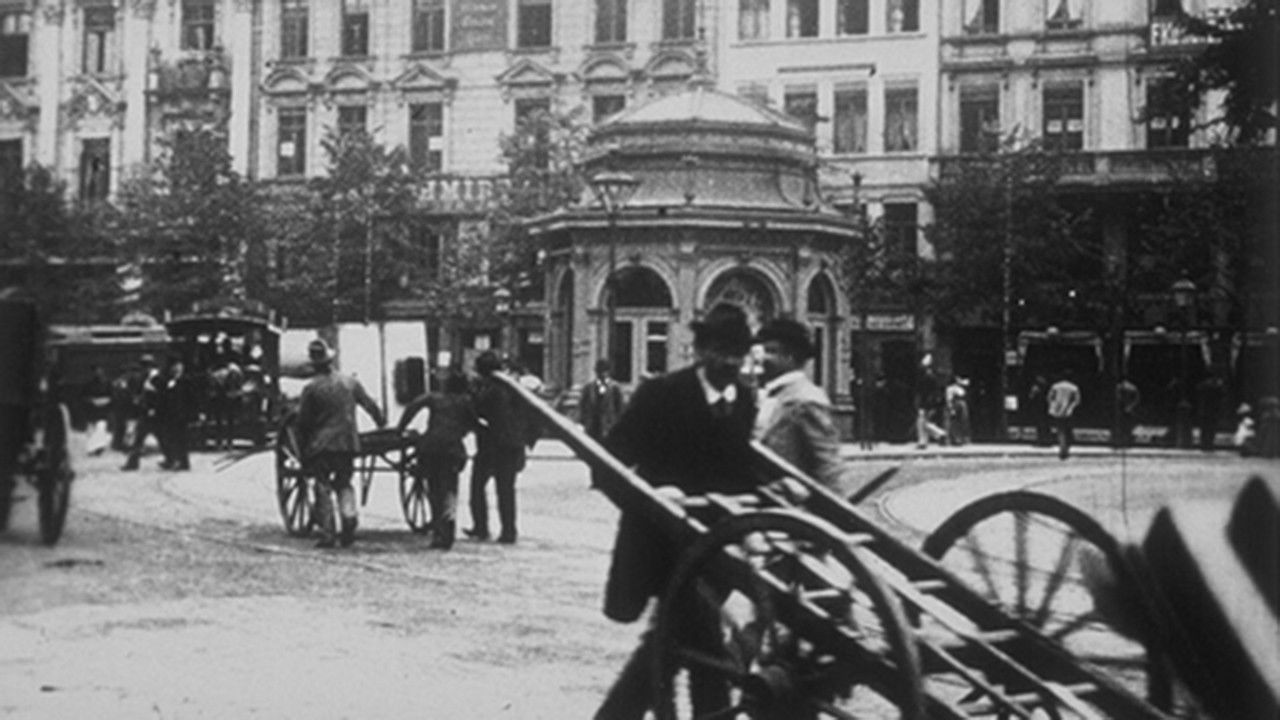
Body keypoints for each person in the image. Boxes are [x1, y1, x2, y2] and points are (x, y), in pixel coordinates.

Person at [594, 302, 760, 720]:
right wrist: (655, 496)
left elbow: (741, 473)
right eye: (721, 351)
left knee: (671, 648)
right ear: (700, 351)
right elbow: (608, 464)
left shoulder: (743, 401)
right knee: (701, 648)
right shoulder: (662, 394)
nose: (730, 362)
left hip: (712, 553)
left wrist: (765, 497)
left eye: (738, 353)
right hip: (659, 545)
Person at [295, 338, 386, 548]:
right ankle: (349, 518)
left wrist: (303, 449)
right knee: (344, 482)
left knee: (322, 485)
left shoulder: (311, 389)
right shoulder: (350, 382)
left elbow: (303, 423)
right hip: (347, 443)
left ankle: (328, 533)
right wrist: (381, 423)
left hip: (322, 445)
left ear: (314, 365)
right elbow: (370, 405)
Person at [754, 318, 850, 491]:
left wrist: (830, 503)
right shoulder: (773, 395)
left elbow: (827, 463)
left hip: (793, 500)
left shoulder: (806, 399)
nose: (763, 358)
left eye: (771, 351)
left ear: (790, 357)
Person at [397, 367, 476, 550]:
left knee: (434, 489)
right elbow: (473, 424)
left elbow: (413, 406)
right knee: (450, 489)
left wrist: (400, 428)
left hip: (431, 448)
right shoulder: (465, 402)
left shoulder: (434, 398)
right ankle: (447, 528)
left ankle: (438, 530)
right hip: (452, 450)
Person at [466, 351, 533, 544]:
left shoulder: (490, 390)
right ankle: (509, 531)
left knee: (477, 486)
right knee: (506, 490)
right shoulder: (514, 388)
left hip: (492, 445)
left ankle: (481, 527)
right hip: (512, 445)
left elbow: (477, 410)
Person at [121, 354, 166, 471]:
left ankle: (171, 459)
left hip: (155, 413)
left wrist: (154, 408)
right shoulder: (144, 378)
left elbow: (162, 396)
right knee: (139, 438)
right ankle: (133, 462)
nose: (144, 369)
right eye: (143, 366)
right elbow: (141, 393)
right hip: (145, 413)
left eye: (146, 366)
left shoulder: (158, 378)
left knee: (162, 438)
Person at [156, 356, 196, 471]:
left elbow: (192, 398)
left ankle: (183, 462)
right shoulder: (168, 381)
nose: (177, 369)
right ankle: (172, 460)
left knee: (181, 439)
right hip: (170, 414)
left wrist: (193, 412)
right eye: (175, 366)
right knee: (170, 438)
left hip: (181, 414)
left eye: (179, 366)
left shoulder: (186, 381)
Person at [579, 358, 625, 444]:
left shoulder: (615, 388)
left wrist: (616, 425)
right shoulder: (588, 388)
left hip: (608, 427)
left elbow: (620, 408)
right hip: (592, 427)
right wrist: (584, 420)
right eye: (599, 371)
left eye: (604, 371)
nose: (602, 374)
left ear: (609, 372)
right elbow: (582, 406)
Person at [1047, 369, 1082, 460]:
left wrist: (1052, 405)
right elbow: (1077, 401)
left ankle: (1062, 448)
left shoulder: (1055, 386)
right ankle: (1066, 447)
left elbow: (1049, 398)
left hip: (1057, 410)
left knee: (1060, 429)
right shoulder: (1074, 388)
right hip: (1068, 411)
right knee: (1067, 429)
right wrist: (1071, 407)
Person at [914, 354, 946, 448]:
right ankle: (929, 438)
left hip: (926, 403)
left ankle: (930, 438)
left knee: (922, 422)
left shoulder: (927, 377)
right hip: (929, 402)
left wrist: (922, 403)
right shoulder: (932, 377)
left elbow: (924, 392)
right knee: (923, 422)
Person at [83, 365, 113, 456]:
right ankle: (92, 448)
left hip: (104, 409)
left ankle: (99, 448)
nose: (98, 374)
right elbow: (84, 396)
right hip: (93, 409)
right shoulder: (89, 384)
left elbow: (112, 395)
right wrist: (91, 400)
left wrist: (108, 400)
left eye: (100, 371)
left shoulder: (107, 384)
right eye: (96, 372)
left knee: (101, 427)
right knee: (92, 429)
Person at [1194, 369, 1225, 452]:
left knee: (1204, 429)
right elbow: (1222, 395)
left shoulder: (1202, 386)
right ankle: (1210, 444)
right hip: (1213, 410)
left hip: (1204, 410)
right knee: (1211, 429)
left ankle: (1204, 445)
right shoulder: (1217, 386)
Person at [1114, 377, 1141, 448]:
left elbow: (1136, 398)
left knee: (1127, 426)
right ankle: (1122, 441)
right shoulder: (1120, 387)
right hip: (1123, 409)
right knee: (1123, 426)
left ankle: (1127, 441)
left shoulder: (1131, 388)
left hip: (1127, 410)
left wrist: (1130, 407)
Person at [945, 376, 971, 446]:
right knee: (954, 422)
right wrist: (951, 409)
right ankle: (954, 439)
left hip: (962, 405)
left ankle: (962, 438)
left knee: (963, 421)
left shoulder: (961, 388)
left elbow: (967, 383)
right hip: (955, 404)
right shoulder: (950, 388)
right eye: (957, 380)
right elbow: (949, 399)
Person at [1027, 374, 1052, 446]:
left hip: (1040, 408)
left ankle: (1042, 440)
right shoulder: (1048, 388)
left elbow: (1031, 397)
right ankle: (1046, 440)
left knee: (1041, 425)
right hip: (1044, 408)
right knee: (1045, 425)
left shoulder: (1037, 388)